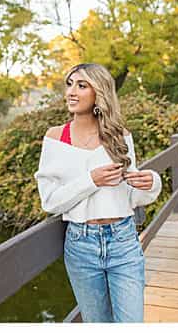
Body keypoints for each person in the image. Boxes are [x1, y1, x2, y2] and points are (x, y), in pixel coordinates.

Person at [35, 64, 162, 322]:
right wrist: (90, 180)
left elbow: (130, 197)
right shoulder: (56, 138)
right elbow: (50, 201)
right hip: (81, 245)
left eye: (81, 86)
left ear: (99, 92)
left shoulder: (119, 136)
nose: (71, 92)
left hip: (123, 241)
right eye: (69, 84)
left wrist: (152, 183)